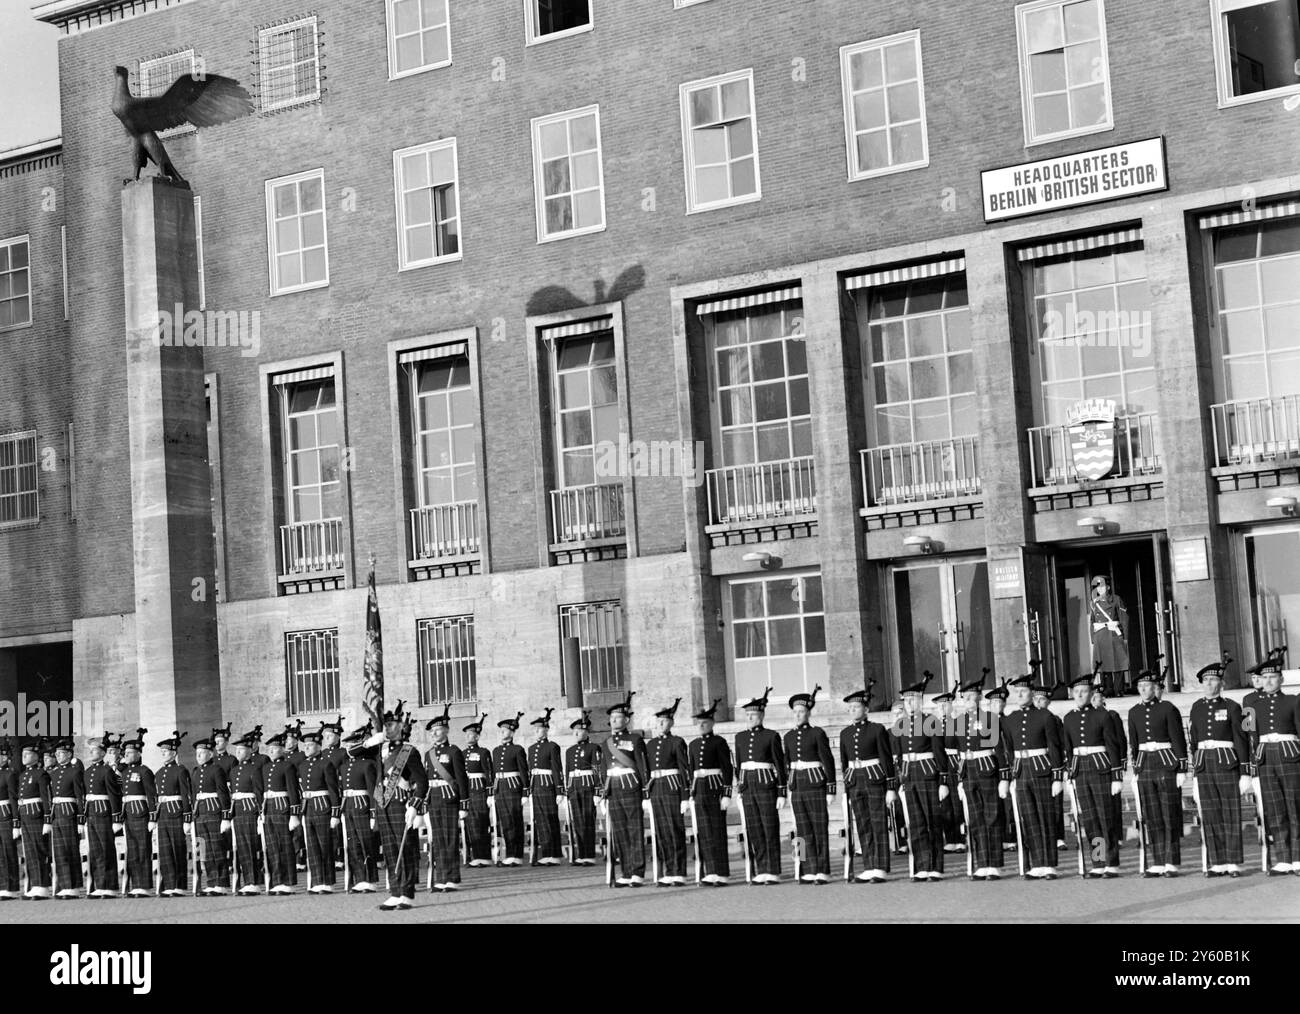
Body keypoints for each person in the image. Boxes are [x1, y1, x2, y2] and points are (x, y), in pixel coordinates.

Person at [1188, 659, 1249, 877]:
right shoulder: (1196, 707)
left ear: (1221, 683)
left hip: (1226, 762)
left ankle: (1233, 862)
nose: (1209, 684)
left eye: (1213, 680)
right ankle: (1217, 861)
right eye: (1205, 680)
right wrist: (1195, 772)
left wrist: (1244, 771)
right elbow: (1193, 741)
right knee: (1211, 814)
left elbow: (1241, 739)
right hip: (1205, 763)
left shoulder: (1233, 707)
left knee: (1230, 813)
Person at [1001, 673, 1064, 879]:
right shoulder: (1010, 719)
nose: (1020, 694)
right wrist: (1010, 776)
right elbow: (1009, 749)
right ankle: (1036, 864)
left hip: (1041, 768)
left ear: (1031, 692)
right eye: (1016, 692)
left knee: (1045, 817)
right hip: (1021, 770)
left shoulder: (1045, 717)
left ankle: (1049, 864)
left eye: (1024, 691)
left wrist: (1057, 776)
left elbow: (1054, 747)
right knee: (1028, 818)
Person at [1242, 650, 1299, 875]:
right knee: (1275, 809)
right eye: (1264, 678)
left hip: (1290, 755)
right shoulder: (1251, 704)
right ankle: (1283, 859)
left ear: (1281, 679)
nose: (1268, 681)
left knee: (1295, 807)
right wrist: (1250, 768)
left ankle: (1298, 858)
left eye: (1273, 677)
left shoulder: (1294, 701)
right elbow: (1248, 736)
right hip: (1265, 758)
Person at [1062, 674, 1123, 877]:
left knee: (1106, 817)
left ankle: (1111, 862)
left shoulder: (1102, 715)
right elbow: (1069, 749)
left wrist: (1116, 776)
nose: (1080, 695)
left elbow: (1112, 746)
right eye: (1077, 692)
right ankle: (1098, 861)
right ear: (1072, 694)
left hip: (1100, 767)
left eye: (1084, 691)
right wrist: (1070, 774)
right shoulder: (1068, 718)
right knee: (1091, 819)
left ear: (1091, 694)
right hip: (1080, 769)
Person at [1129, 668, 1188, 876]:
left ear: (1155, 688)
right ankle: (1157, 861)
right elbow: (1134, 743)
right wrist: (1135, 767)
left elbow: (1178, 738)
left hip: (1166, 761)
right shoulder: (1133, 712)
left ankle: (1171, 861)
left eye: (1148, 686)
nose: (1145, 690)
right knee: (1151, 814)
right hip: (1145, 763)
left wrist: (1182, 767)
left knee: (1169, 813)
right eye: (1141, 686)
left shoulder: (1167, 708)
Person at [893, 674, 948, 881]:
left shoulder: (931, 721)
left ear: (920, 700)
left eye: (913, 700)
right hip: (909, 776)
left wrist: (943, 781)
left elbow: (939, 751)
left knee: (932, 821)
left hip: (927, 773)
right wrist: (900, 781)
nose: (909, 704)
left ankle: (935, 866)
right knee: (915, 823)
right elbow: (898, 755)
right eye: (906, 701)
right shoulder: (901, 724)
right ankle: (921, 865)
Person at [840, 681, 896, 884]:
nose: (852, 710)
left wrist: (890, 787)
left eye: (856, 707)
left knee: (878, 823)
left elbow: (886, 758)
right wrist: (847, 788)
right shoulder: (845, 733)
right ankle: (868, 866)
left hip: (874, 778)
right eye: (850, 708)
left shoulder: (877, 729)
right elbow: (844, 762)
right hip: (855, 781)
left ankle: (880, 868)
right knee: (863, 824)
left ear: (866, 709)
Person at [955, 676, 1010, 880]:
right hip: (968, 771)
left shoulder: (990, 718)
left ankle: (994, 864)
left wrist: (1004, 776)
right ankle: (981, 863)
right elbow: (957, 749)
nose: (969, 700)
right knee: (975, 819)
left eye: (972, 696)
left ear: (979, 698)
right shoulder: (958, 721)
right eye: (966, 697)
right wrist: (960, 779)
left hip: (987, 769)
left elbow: (1000, 748)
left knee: (992, 816)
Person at [784, 685, 835, 884]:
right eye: (795, 712)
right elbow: (787, 764)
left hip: (815, 783)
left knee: (818, 828)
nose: (798, 715)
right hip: (797, 784)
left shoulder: (817, 733)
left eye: (802, 712)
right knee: (801, 829)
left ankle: (822, 870)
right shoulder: (787, 737)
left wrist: (830, 787)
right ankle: (805, 868)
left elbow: (828, 760)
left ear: (808, 713)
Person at [601, 693, 649, 887]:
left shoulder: (635, 739)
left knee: (634, 830)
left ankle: (637, 872)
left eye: (618, 717)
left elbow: (643, 766)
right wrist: (603, 794)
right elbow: (604, 769)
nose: (613, 720)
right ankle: (626, 871)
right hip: (613, 788)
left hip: (630, 785)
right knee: (620, 832)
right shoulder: (606, 743)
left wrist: (646, 792)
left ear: (626, 719)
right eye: (611, 718)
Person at [423, 706, 469, 892]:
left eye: (438, 730)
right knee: (438, 839)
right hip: (434, 799)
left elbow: (461, 779)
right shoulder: (428, 754)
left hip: (449, 799)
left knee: (450, 839)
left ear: (447, 731)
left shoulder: (454, 751)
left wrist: (463, 804)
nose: (434, 733)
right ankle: (440, 877)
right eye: (432, 731)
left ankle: (452, 878)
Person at [645, 698, 690, 886]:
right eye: (658, 721)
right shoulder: (651, 744)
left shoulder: (677, 742)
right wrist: (646, 796)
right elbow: (646, 770)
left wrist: (685, 796)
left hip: (672, 787)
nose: (660, 724)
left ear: (671, 723)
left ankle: (678, 871)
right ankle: (667, 871)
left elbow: (684, 769)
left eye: (664, 721)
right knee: (661, 831)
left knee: (674, 830)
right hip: (656, 788)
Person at [297, 726, 340, 894]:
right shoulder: (302, 765)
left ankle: (327, 882)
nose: (306, 748)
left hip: (323, 806)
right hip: (308, 807)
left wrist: (335, 812)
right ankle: (316, 881)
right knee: (312, 846)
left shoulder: (326, 764)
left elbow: (333, 789)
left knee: (325, 845)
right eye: (305, 745)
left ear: (318, 746)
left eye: (310, 745)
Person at [336, 726, 377, 892]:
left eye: (352, 744)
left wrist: (374, 813)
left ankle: (369, 879)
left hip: (362, 803)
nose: (348, 748)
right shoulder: (344, 766)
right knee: (352, 843)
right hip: (349, 805)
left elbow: (374, 790)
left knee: (365, 841)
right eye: (347, 745)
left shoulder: (368, 764)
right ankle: (359, 878)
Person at [82, 733, 123, 898]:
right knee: (96, 850)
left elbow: (114, 794)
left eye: (94, 750)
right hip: (91, 811)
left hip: (103, 811)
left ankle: (110, 886)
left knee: (106, 849)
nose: (91, 752)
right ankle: (99, 884)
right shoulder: (88, 771)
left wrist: (116, 818)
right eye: (90, 750)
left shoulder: (106, 770)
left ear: (102, 752)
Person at [190, 736, 231, 896]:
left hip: (214, 811)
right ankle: (211, 882)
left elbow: (222, 792)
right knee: (204, 850)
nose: (198, 756)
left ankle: (221, 883)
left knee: (217, 848)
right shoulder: (195, 771)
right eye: (197, 753)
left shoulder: (216, 770)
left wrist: (226, 816)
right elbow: (193, 795)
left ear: (210, 754)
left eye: (202, 753)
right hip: (200, 813)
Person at [262, 731, 301, 895]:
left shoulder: (287, 766)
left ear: (282, 749)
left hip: (282, 807)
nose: (271, 750)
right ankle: (276, 880)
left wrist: (294, 814)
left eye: (275, 748)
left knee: (285, 845)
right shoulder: (266, 767)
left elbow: (293, 790)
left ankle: (287, 881)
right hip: (269, 808)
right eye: (270, 748)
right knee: (272, 846)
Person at [118, 730, 156, 897]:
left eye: (130, 752)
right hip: (128, 813)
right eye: (125, 753)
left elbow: (151, 794)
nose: (126, 755)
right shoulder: (125, 772)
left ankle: (144, 885)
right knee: (132, 850)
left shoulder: (144, 771)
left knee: (142, 849)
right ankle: (135, 884)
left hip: (141, 812)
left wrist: (153, 816)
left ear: (139, 753)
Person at [1091, 684, 1127, 860]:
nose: (1095, 700)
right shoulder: (1085, 717)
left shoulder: (1111, 715)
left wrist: (1119, 767)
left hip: (1108, 765)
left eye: (1097, 697)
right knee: (1094, 816)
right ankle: (1098, 855)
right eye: (1093, 697)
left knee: (1112, 808)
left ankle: (1116, 838)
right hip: (1091, 768)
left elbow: (1118, 741)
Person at [1031, 681, 1068, 852]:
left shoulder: (1054, 720)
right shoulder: (1027, 719)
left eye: (1042, 700)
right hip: (1033, 765)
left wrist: (1060, 768)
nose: (1039, 702)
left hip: (1051, 763)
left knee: (1055, 803)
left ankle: (1058, 836)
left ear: (1049, 702)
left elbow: (1060, 744)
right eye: (1036, 699)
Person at [526, 708, 565, 866]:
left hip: (547, 784)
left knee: (550, 819)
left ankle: (553, 854)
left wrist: (559, 790)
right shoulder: (531, 748)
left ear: (546, 729)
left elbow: (557, 768)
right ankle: (545, 852)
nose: (536, 731)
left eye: (539, 728)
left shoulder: (552, 746)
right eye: (534, 729)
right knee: (540, 820)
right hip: (536, 785)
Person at [154, 731, 191, 897]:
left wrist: (187, 817)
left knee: (178, 849)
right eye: (162, 751)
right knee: (165, 850)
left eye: (166, 751)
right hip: (163, 813)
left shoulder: (180, 770)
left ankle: (180, 885)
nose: (163, 754)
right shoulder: (159, 772)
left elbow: (185, 795)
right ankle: (169, 884)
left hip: (176, 811)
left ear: (174, 753)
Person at [490, 712, 530, 867]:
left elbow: (523, 771)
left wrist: (525, 792)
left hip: (513, 786)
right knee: (505, 822)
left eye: (505, 731)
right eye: (501, 731)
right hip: (500, 787)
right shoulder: (496, 751)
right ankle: (508, 854)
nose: (502, 733)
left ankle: (517, 855)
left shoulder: (517, 749)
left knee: (515, 821)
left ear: (512, 733)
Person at [229, 732, 265, 894]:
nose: (238, 752)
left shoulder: (254, 769)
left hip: (249, 809)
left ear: (249, 751)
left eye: (241, 750)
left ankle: (254, 881)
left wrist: (260, 813)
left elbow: (259, 792)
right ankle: (247, 880)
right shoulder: (234, 770)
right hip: (237, 810)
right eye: (237, 750)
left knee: (251, 846)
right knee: (242, 847)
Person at [565, 711, 603, 866]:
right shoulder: (569, 751)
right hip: (574, 786)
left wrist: (597, 791)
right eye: (574, 731)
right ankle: (581, 854)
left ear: (587, 732)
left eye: (579, 730)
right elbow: (567, 772)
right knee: (577, 820)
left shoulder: (594, 748)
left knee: (588, 820)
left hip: (587, 785)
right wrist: (567, 790)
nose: (576, 733)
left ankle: (589, 854)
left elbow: (597, 769)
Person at [50, 739, 85, 900]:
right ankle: (64, 885)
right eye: (56, 754)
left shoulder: (74, 771)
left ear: (69, 754)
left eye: (61, 753)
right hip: (57, 812)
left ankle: (73, 886)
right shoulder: (55, 772)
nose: (58, 756)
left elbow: (80, 795)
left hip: (69, 811)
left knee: (70, 849)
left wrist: (80, 818)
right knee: (59, 851)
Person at [17, 742, 52, 899]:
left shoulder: (41, 774)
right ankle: (35, 885)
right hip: (25, 815)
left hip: (36, 816)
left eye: (28, 754)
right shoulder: (23, 775)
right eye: (23, 753)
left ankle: (42, 886)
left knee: (39, 851)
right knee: (30, 852)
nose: (24, 756)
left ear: (37, 756)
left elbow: (46, 798)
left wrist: (47, 820)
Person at [932, 689, 964, 853]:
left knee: (957, 802)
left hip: (954, 763)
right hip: (940, 765)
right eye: (940, 705)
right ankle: (950, 838)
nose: (943, 708)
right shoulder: (934, 726)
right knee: (945, 805)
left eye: (946, 704)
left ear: (951, 706)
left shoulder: (959, 723)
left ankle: (960, 838)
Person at [1089, 575, 1130, 696]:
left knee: (1118, 662)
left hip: (1113, 633)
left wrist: (1125, 637)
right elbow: (1092, 621)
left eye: (1102, 587)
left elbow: (1124, 618)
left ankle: (1118, 689)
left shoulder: (1116, 599)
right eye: (1098, 587)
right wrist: (1093, 638)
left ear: (1108, 587)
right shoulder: (1093, 603)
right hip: (1100, 635)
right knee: (1103, 663)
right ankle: (1107, 689)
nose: (1100, 590)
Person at [461, 714, 494, 867]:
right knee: (469, 824)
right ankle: (472, 856)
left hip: (479, 789)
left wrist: (489, 793)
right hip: (467, 790)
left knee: (481, 823)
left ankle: (483, 856)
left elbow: (488, 772)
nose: (468, 736)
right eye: (466, 734)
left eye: (471, 734)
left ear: (477, 736)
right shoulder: (461, 754)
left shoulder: (483, 752)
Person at [0, 744, 21, 900]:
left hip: (5, 815)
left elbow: (14, 798)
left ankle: (11, 887)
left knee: (8, 852)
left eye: (2, 756)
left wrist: (15, 821)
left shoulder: (10, 775)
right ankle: (1, 886)